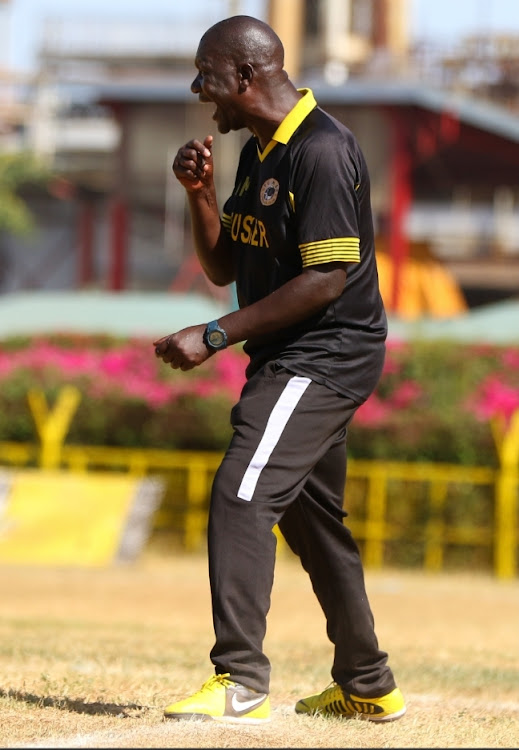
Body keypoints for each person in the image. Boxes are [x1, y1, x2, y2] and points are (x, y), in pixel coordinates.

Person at [154, 14, 406, 726]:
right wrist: (200, 196)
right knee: (313, 525)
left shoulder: (322, 149)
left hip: (322, 356)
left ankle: (238, 680)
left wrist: (214, 335)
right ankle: (367, 683)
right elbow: (224, 266)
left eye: (206, 75)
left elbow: (327, 278)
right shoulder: (261, 152)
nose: (199, 91)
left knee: (240, 494)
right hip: (293, 358)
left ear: (244, 76)